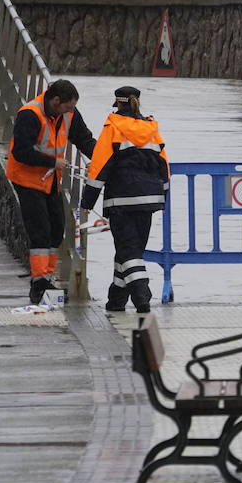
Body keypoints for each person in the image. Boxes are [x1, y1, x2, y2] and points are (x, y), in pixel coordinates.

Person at [6, 79, 96, 304]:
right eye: (68, 106)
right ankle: (38, 284)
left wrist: (103, 160)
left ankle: (46, 278)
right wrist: (52, 162)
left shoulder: (68, 113)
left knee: (57, 228)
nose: (72, 111)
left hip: (50, 180)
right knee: (40, 230)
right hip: (27, 179)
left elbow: (84, 139)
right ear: (56, 101)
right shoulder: (30, 114)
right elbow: (20, 152)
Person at [81, 86, 169, 313]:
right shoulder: (151, 127)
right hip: (150, 199)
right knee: (130, 251)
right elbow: (164, 166)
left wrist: (86, 203)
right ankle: (117, 300)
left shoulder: (113, 126)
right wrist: (164, 198)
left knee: (129, 251)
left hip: (122, 199)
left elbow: (99, 167)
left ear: (118, 104)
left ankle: (142, 295)